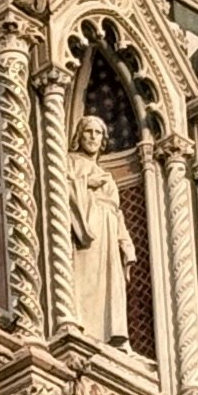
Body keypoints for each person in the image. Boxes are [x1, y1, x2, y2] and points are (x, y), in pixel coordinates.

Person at [68, 113, 132, 344]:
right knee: (87, 278)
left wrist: (125, 242)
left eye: (98, 133)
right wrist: (85, 184)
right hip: (88, 228)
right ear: (79, 135)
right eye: (88, 131)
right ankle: (81, 325)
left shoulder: (106, 173)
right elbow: (60, 189)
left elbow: (116, 211)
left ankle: (109, 334)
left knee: (109, 285)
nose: (93, 137)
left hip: (108, 230)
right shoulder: (71, 161)